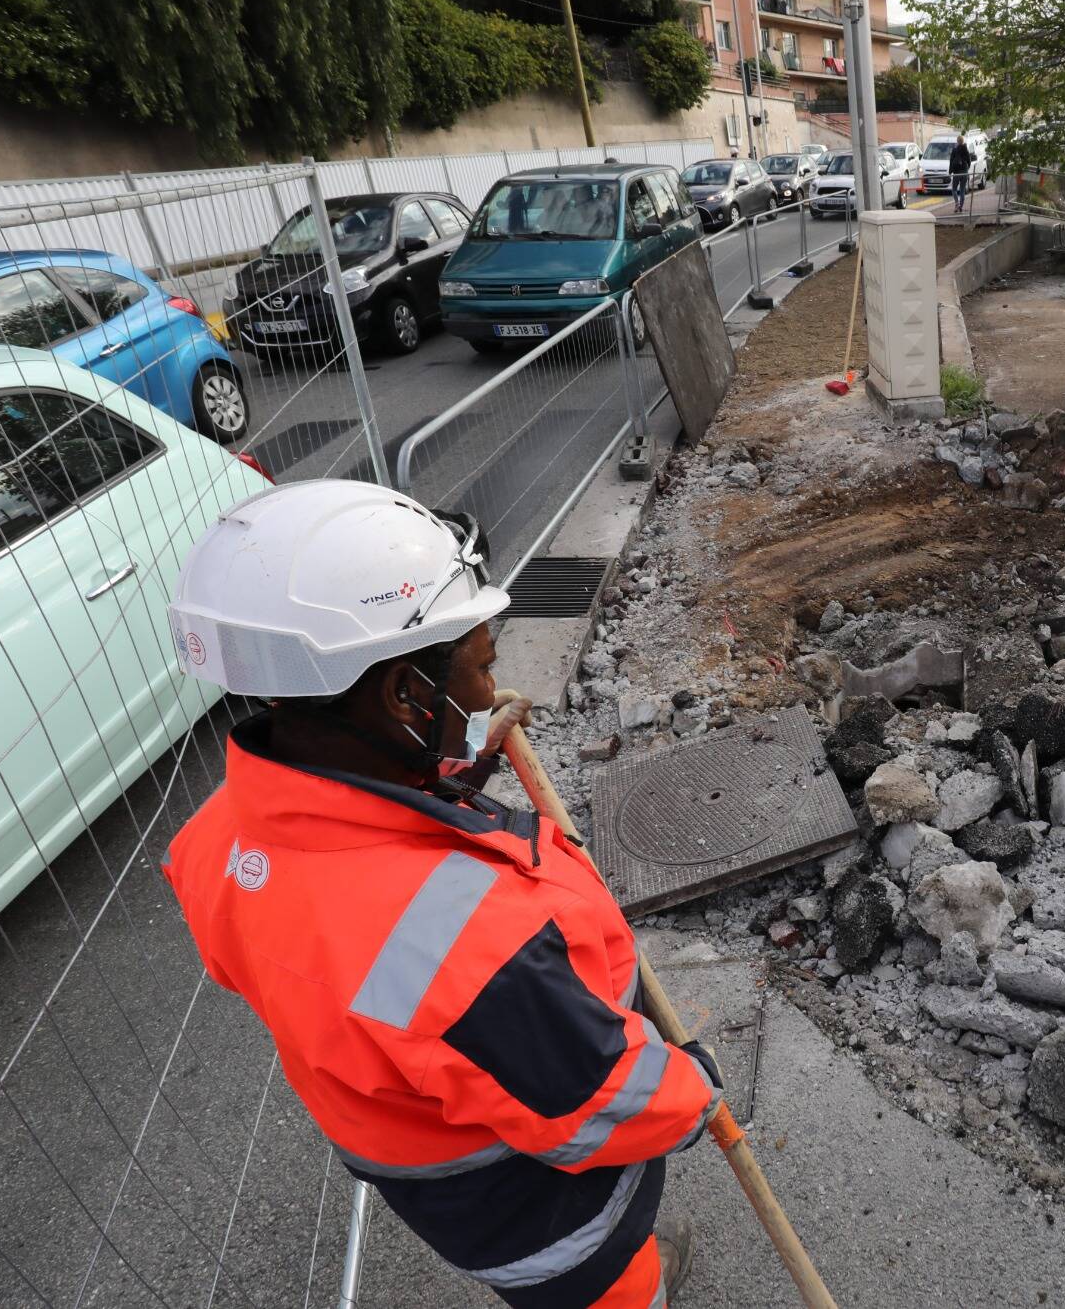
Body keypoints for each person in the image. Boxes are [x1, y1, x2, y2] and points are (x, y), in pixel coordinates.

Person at [162, 481, 721, 1309]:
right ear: (404, 696)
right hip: (554, 1215)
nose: (491, 687)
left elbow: (343, 869)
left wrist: (459, 759)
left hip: (448, 1184)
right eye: (482, 665)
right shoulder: (471, 955)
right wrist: (696, 1090)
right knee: (612, 1284)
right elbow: (601, 1099)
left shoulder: (214, 840)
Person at [948, 135, 973, 213]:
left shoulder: (954, 150)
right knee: (962, 190)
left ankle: (957, 203)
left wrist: (950, 171)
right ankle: (960, 206)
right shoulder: (966, 149)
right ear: (963, 141)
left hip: (956, 173)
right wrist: (967, 168)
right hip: (964, 172)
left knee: (954, 189)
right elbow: (969, 161)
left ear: (957, 141)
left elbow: (951, 161)